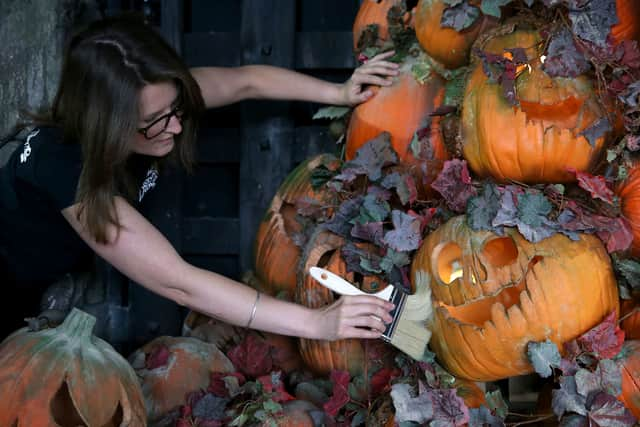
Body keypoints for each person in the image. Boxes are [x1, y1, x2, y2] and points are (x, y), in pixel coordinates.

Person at [0, 14, 399, 342]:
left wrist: (340, 93)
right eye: (155, 122)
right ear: (109, 125)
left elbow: (247, 81)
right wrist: (315, 324)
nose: (176, 127)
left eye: (176, 107)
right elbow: (179, 282)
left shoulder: (154, 98)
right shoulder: (65, 169)